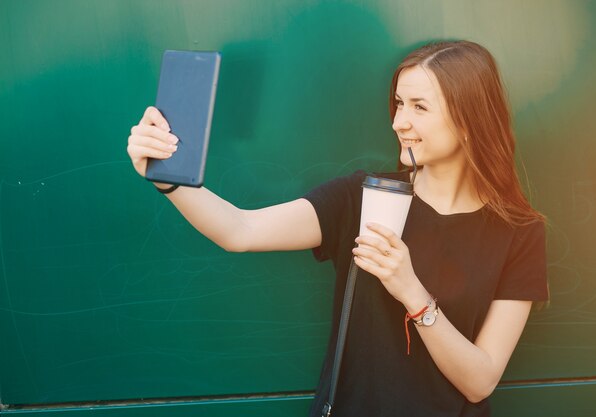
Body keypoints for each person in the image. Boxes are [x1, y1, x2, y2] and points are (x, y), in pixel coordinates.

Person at [127, 40, 548, 417]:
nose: (400, 121)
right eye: (399, 104)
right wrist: (169, 179)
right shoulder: (362, 197)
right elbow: (240, 230)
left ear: (469, 120)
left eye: (419, 107)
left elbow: (480, 382)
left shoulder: (518, 232)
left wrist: (411, 291)